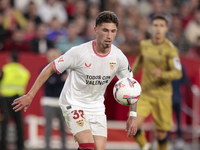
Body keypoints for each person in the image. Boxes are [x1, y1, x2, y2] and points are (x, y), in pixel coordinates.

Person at [12, 11, 138, 150]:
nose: (109, 36)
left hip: (96, 107)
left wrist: (133, 115)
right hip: (74, 103)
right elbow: (49, 68)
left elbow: (131, 87)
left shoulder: (118, 57)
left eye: (113, 31)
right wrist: (30, 95)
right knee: (88, 145)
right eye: (105, 30)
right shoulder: (79, 52)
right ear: (96, 30)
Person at [131, 15, 182, 150]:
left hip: (163, 96)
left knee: (161, 134)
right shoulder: (144, 45)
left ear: (166, 29)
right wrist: (128, 77)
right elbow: (138, 64)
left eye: (161, 26)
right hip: (145, 94)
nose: (158, 29)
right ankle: (145, 147)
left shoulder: (170, 49)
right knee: (133, 125)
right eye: (155, 25)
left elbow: (178, 72)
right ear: (151, 27)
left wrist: (163, 74)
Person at [0, 51, 30, 150]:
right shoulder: (24, 71)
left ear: (10, 59)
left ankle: (3, 145)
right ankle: (20, 145)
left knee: (4, 122)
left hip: (5, 98)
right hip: (18, 98)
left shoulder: (5, 69)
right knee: (18, 122)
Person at [41, 49, 68, 150]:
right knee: (48, 126)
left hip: (61, 102)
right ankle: (47, 146)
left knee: (63, 126)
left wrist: (56, 80)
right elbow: (49, 82)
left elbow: (62, 81)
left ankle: (64, 146)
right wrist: (59, 79)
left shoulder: (64, 69)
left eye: (55, 55)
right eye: (51, 55)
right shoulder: (44, 69)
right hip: (49, 101)